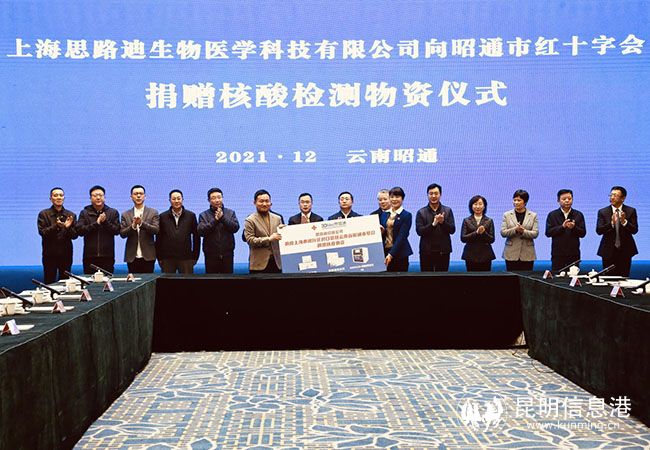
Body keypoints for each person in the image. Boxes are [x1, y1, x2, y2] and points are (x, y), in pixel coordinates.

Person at [37, 187, 78, 283]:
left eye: (61, 195)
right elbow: (42, 232)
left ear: (64, 198)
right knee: (49, 281)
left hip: (66, 254)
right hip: (49, 254)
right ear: (50, 198)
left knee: (65, 282)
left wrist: (67, 227)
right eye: (55, 195)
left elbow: (75, 235)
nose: (59, 197)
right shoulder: (44, 214)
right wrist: (56, 226)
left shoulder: (71, 215)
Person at [76, 185, 120, 274]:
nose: (98, 198)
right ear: (90, 198)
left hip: (107, 256)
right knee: (90, 281)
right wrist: (96, 223)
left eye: (101, 195)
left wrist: (105, 222)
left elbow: (117, 231)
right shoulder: (84, 213)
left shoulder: (113, 212)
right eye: (95, 195)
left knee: (107, 280)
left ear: (104, 197)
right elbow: (80, 231)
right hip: (89, 256)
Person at [596, 186, 638, 277]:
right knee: (608, 279)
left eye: (615, 195)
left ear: (623, 198)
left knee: (624, 277)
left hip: (625, 250)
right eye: (611, 195)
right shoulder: (603, 212)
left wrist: (624, 222)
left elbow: (634, 230)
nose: (612, 197)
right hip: (608, 251)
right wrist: (611, 223)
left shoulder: (631, 211)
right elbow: (599, 230)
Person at [157, 189, 200, 274]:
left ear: (182, 199)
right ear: (169, 200)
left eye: (179, 198)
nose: (176, 201)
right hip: (167, 258)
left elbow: (196, 238)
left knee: (186, 282)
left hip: (186, 258)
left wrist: (195, 257)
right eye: (173, 199)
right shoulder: (162, 216)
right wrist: (159, 257)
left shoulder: (191, 216)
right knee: (167, 282)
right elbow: (158, 238)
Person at [198, 188, 240, 274]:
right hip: (210, 255)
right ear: (209, 200)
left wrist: (223, 218)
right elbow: (201, 231)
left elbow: (235, 228)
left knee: (228, 279)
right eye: (213, 198)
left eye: (219, 197)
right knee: (212, 279)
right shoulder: (203, 215)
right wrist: (215, 220)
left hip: (227, 254)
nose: (217, 200)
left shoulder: (230, 213)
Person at [119, 185, 159, 273]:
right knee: (133, 280)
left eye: (141, 193)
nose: (138, 196)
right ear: (131, 197)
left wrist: (141, 223)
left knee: (148, 280)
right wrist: (133, 226)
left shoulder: (153, 212)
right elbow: (122, 234)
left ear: (145, 196)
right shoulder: (125, 214)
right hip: (132, 256)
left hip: (148, 255)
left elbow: (156, 230)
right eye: (135, 194)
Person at [415, 183, 455, 271]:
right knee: (426, 277)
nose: (433, 196)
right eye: (431, 193)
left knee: (442, 278)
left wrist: (442, 222)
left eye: (436, 193)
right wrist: (433, 224)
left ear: (440, 195)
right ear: (427, 195)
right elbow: (419, 231)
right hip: (426, 252)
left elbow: (452, 230)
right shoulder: (421, 212)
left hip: (443, 251)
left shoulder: (447, 210)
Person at [545, 189, 586, 272]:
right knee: (557, 276)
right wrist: (562, 227)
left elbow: (583, 233)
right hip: (558, 254)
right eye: (564, 199)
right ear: (558, 200)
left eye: (569, 199)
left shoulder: (578, 214)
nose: (567, 201)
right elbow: (548, 233)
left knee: (573, 276)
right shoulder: (552, 215)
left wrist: (574, 227)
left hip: (574, 254)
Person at [244, 189, 283, 273]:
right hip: (258, 265)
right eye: (261, 201)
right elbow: (250, 240)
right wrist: (269, 239)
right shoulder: (250, 220)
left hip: (276, 263)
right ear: (254, 202)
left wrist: (284, 231)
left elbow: (281, 239)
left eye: (267, 201)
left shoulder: (277, 218)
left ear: (271, 203)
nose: (264, 204)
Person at [501, 189, 539, 271]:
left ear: (525, 202)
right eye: (514, 200)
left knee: (526, 277)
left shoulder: (533, 215)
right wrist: (515, 230)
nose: (516, 202)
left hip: (527, 253)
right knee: (512, 277)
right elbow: (503, 232)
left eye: (519, 200)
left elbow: (535, 233)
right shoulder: (507, 215)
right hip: (511, 253)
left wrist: (523, 231)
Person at [379, 187, 413, 272]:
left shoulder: (406, 215)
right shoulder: (384, 214)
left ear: (402, 198)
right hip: (385, 252)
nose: (394, 199)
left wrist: (391, 254)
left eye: (397, 197)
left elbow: (402, 237)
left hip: (400, 254)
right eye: (392, 197)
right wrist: (382, 231)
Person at [460, 195, 496, 272]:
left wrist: (483, 233)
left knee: (485, 278)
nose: (478, 206)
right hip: (470, 254)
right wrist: (476, 233)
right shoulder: (466, 220)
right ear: (471, 206)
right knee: (472, 277)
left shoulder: (489, 220)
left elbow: (492, 239)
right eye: (475, 204)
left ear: (484, 206)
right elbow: (463, 238)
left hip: (485, 255)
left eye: (480, 204)